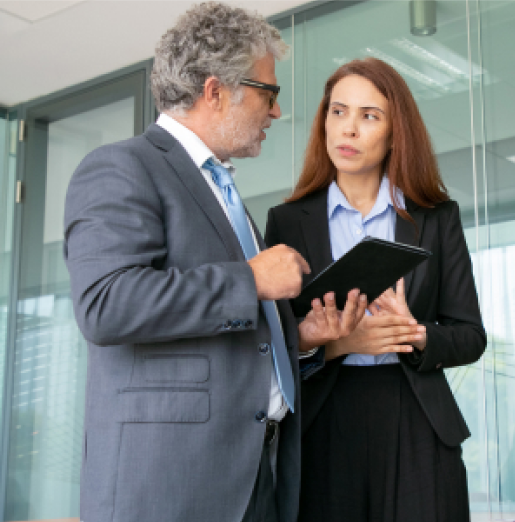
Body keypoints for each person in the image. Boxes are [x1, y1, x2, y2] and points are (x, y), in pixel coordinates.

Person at [63, 3, 370, 521]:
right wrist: (250, 278)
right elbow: (105, 304)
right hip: (172, 487)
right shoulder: (121, 167)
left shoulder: (221, 188)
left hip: (256, 475)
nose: (276, 111)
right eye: (268, 93)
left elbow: (227, 340)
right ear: (215, 91)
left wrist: (302, 340)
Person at [265, 57, 487, 522]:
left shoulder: (434, 216)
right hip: (326, 419)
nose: (348, 129)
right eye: (338, 111)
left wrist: (417, 334)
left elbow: (470, 334)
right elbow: (273, 347)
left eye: (369, 116)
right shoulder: (287, 222)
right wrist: (339, 343)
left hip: (417, 417)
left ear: (393, 133)